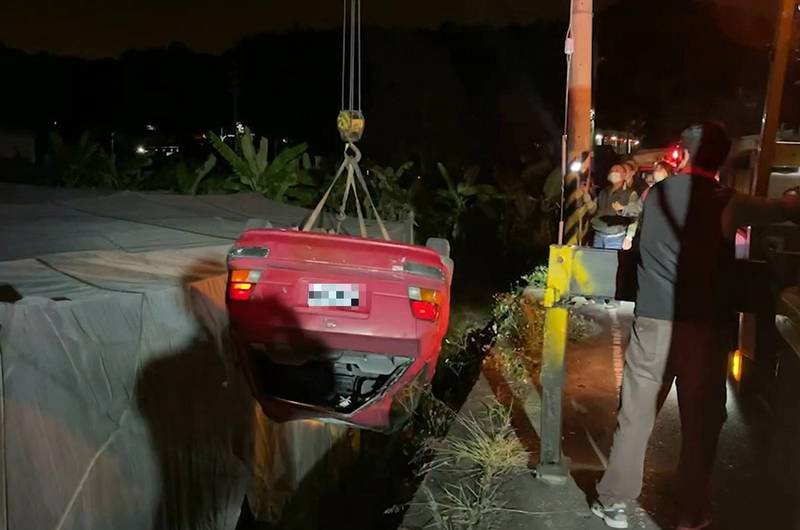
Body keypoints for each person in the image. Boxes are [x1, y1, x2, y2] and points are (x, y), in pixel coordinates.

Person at [591, 122, 800, 530]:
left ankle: (614, 502)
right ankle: (688, 513)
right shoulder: (729, 201)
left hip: (654, 321)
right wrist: (791, 199)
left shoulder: (655, 194)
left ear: (681, 155)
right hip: (704, 329)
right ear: (721, 161)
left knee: (636, 412)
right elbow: (784, 210)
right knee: (701, 420)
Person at [589, 165, 640, 250]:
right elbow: (594, 210)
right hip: (598, 235)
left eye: (617, 170)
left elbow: (634, 216)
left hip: (616, 238)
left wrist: (629, 237)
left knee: (612, 262)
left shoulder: (630, 194)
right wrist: (587, 199)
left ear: (624, 175)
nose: (613, 172)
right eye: (611, 170)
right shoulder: (603, 192)